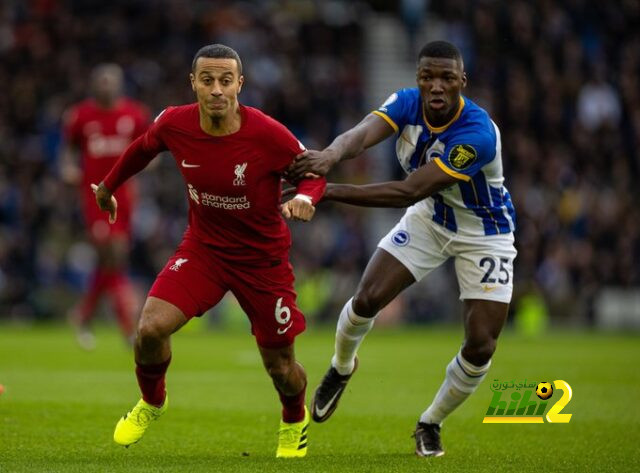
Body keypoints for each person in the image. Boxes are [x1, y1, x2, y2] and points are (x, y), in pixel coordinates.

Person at [93, 44, 325, 458]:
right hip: (204, 251)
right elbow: (141, 149)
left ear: (240, 84)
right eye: (207, 80)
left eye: (225, 81)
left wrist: (307, 197)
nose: (216, 89)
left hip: (262, 261)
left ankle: (293, 418)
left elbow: (312, 172)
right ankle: (153, 401)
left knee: (282, 369)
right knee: (148, 329)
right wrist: (109, 188)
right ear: (194, 84)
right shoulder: (174, 123)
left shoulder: (267, 133)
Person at [287, 40, 516, 457]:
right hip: (433, 217)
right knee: (367, 297)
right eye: (428, 76)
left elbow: (408, 191)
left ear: (462, 81)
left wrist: (328, 190)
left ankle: (431, 422)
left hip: (485, 231)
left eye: (447, 77)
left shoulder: (477, 134)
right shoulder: (407, 103)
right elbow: (360, 136)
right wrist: (329, 156)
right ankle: (341, 368)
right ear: (418, 78)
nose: (437, 86)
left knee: (482, 343)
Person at [60, 64, 150, 350]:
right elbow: (68, 151)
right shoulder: (80, 116)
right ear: (94, 84)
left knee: (109, 261)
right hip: (95, 195)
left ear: (120, 84)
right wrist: (68, 168)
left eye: (110, 82)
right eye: (101, 81)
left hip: (125, 197)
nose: (105, 86)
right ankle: (127, 328)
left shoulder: (135, 115)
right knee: (114, 254)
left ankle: (84, 316)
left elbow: (151, 148)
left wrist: (147, 165)